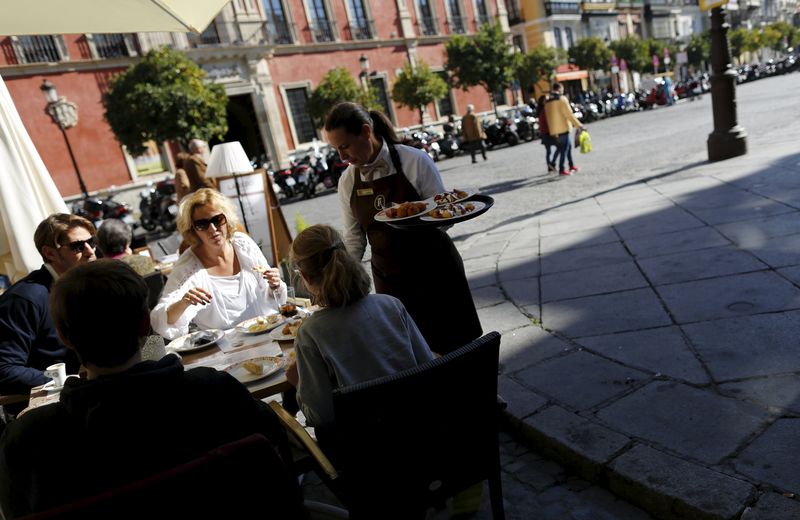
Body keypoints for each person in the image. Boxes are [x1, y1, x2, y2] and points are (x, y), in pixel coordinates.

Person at [0, 261, 294, 518]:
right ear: (144, 324)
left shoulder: (28, 440)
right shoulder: (214, 391)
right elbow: (277, 465)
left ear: (63, 336)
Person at [325, 102, 482, 354]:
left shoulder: (414, 161)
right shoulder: (348, 181)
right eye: (336, 149)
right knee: (414, 357)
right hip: (391, 283)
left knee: (460, 351)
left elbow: (446, 215)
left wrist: (417, 220)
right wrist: (341, 281)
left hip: (436, 271)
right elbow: (354, 238)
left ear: (366, 132)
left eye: (345, 147)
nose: (342, 157)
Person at [285, 224, 434, 434]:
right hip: (419, 426)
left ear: (306, 278)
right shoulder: (391, 305)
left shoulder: (311, 333)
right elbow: (429, 368)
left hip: (362, 448)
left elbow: (321, 417)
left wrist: (298, 382)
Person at [150, 188, 286, 339]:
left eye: (217, 220)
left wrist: (275, 284)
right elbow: (162, 320)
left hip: (266, 333)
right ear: (193, 230)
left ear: (226, 219)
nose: (213, 229)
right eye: (202, 224)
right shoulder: (189, 266)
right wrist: (184, 302)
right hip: (221, 349)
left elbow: (273, 298)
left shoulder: (243, 245)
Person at [0, 214, 95, 412]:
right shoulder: (26, 298)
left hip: (88, 393)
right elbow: (5, 369)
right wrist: (67, 381)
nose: (90, 252)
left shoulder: (85, 284)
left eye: (91, 243)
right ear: (50, 253)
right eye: (78, 246)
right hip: (48, 409)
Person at [544, 82, 583, 176]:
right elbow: (569, 114)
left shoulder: (547, 101)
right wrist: (578, 125)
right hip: (563, 128)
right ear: (559, 89)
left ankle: (571, 165)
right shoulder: (562, 99)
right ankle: (562, 169)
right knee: (564, 150)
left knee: (567, 148)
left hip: (554, 130)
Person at [537, 95, 557, 173]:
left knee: (548, 151)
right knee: (560, 147)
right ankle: (551, 164)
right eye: (546, 99)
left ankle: (550, 166)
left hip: (544, 133)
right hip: (548, 133)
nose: (548, 100)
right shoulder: (545, 110)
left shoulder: (541, 110)